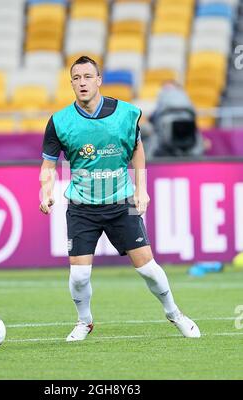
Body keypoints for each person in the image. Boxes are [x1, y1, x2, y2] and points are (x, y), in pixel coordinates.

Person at [39, 56, 201, 341]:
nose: (82, 83)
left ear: (99, 80)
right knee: (79, 276)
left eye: (88, 77)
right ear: (71, 83)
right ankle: (84, 321)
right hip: (81, 206)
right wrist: (45, 190)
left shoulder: (124, 114)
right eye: (76, 78)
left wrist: (141, 188)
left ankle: (175, 313)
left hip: (120, 202)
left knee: (149, 270)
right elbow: (49, 164)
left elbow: (137, 148)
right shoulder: (60, 122)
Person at [145, 81, 205, 158]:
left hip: (165, 154)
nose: (168, 92)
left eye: (168, 89)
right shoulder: (187, 103)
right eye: (165, 89)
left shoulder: (161, 106)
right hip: (186, 152)